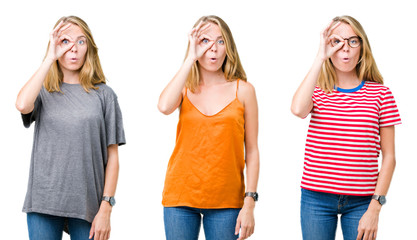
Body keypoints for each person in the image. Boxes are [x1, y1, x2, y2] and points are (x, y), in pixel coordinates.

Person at [291, 15, 401, 240]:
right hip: (316, 199)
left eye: (352, 41)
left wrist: (375, 207)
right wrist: (320, 58)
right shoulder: (318, 88)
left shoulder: (381, 94)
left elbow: (389, 157)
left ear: (362, 46)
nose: (345, 49)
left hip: (362, 201)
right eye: (337, 42)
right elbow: (298, 109)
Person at [15, 16, 125, 240]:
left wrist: (106, 207)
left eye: (81, 42)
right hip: (44, 202)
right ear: (55, 46)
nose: (73, 49)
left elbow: (112, 156)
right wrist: (49, 59)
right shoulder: (43, 90)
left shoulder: (104, 95)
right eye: (65, 41)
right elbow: (22, 104)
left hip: (88, 205)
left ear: (89, 48)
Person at [158, 15, 260, 240]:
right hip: (180, 197)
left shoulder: (244, 91)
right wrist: (189, 60)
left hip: (227, 201)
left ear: (228, 47)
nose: (213, 49)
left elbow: (251, 150)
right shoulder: (184, 87)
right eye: (205, 41)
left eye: (220, 41)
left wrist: (250, 202)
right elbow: (164, 106)